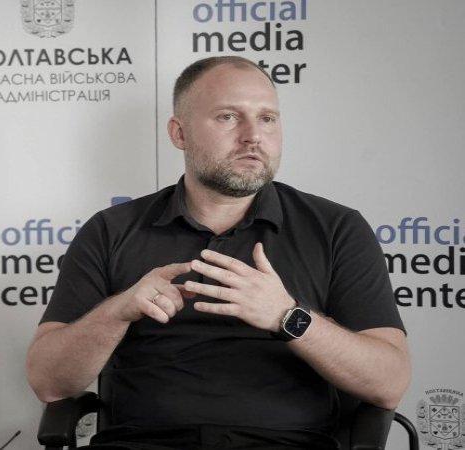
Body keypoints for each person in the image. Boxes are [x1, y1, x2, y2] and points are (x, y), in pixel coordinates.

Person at [26, 56, 411, 450]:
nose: (253, 136)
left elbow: (389, 383)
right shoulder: (111, 230)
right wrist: (118, 311)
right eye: (228, 117)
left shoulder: (336, 229)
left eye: (267, 119)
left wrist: (287, 317)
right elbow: (48, 382)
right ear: (179, 133)